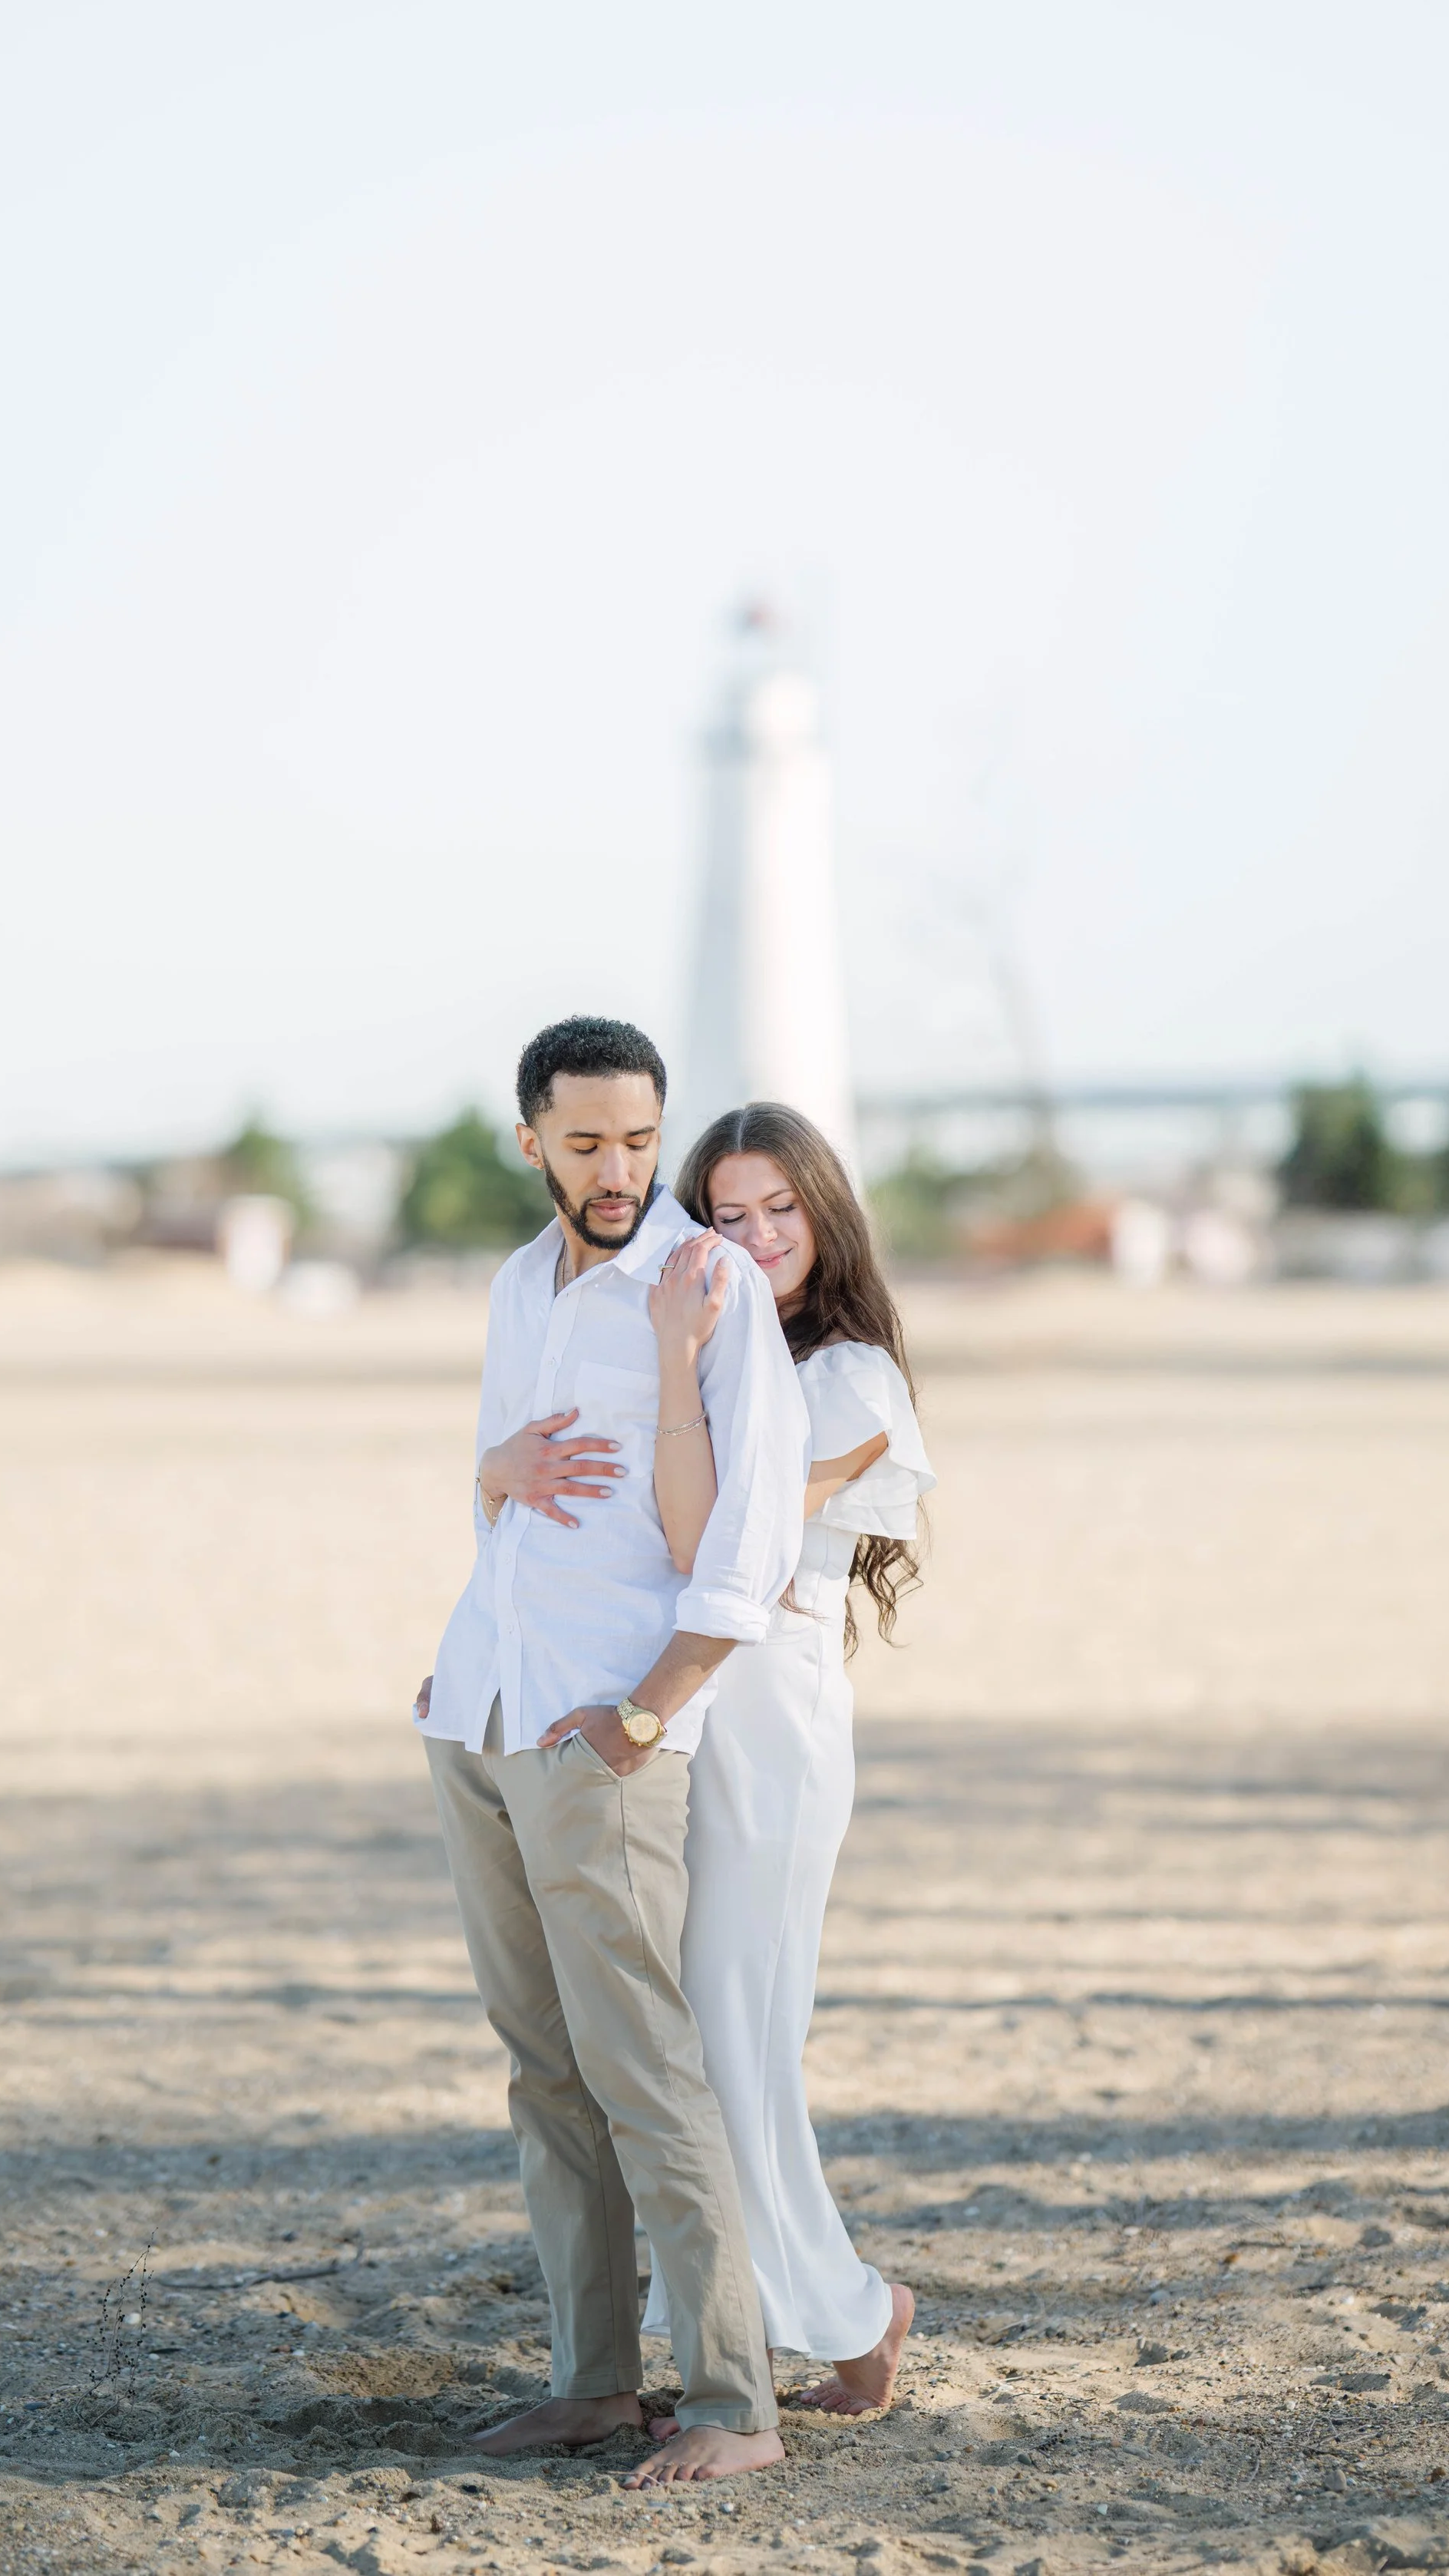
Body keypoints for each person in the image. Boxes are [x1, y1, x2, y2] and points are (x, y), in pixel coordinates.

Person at [414, 1017, 809, 2488]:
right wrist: (486, 1490)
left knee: (644, 2065)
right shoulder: (519, 1282)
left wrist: (645, 1713)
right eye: (585, 1142)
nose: (619, 1169)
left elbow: (745, 1547)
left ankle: (734, 2402)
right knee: (544, 2069)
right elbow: (508, 1497)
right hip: (482, 1713)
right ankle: (591, 2383)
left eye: (640, 1139)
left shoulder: (709, 1287)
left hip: (604, 1735)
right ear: (532, 1140)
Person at [639, 1101, 934, 2418]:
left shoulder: (850, 1378)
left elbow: (719, 1539)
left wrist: (672, 1363)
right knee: (695, 2032)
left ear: (823, 1210)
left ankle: (834, 2316)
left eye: (780, 1208)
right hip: (694, 1702)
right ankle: (782, 2321)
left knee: (740, 2030)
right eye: (727, 1214)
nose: (756, 1236)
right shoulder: (728, 1354)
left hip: (775, 1712)